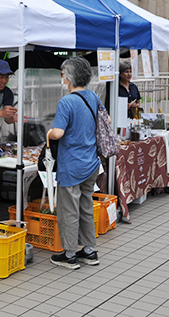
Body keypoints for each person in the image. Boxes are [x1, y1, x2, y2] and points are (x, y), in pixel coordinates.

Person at [47, 57, 101, 270]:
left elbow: (58, 133)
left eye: (63, 75)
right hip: (91, 163)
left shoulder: (67, 101)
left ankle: (69, 254)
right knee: (86, 207)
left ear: (68, 78)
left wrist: (49, 132)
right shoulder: (93, 97)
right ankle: (89, 250)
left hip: (72, 166)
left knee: (69, 210)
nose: (62, 79)